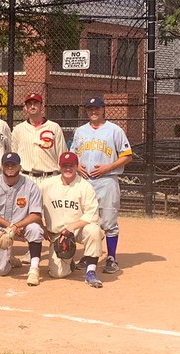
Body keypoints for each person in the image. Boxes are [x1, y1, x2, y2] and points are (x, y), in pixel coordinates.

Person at [70, 95, 132, 274]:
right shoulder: (80, 131)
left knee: (108, 221)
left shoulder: (115, 130)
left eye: (97, 108)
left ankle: (111, 257)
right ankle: (89, 255)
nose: (93, 112)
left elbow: (127, 155)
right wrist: (77, 166)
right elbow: (73, 153)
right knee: (84, 219)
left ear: (103, 109)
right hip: (84, 182)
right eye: (90, 109)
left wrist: (108, 167)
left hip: (107, 181)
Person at [43, 152, 106, 288]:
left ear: (77, 167)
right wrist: (43, 228)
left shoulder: (85, 186)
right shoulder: (47, 185)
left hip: (78, 230)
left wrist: (71, 227)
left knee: (94, 231)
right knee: (57, 274)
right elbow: (34, 208)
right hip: (58, 235)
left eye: (71, 166)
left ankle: (90, 272)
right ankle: (69, 263)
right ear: (59, 167)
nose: (68, 169)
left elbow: (92, 214)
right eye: (65, 166)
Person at [0, 152, 45, 286]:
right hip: (0, 231)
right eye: (7, 165)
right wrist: (11, 226)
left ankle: (34, 269)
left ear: (19, 167)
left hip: (22, 228)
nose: (10, 168)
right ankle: (8, 259)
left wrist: (17, 226)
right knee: (0, 270)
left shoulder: (30, 186)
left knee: (35, 229)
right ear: (2, 166)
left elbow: (36, 214)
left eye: (13, 165)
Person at [10, 93, 66, 181]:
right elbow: (14, 155)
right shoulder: (18, 129)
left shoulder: (54, 127)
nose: (32, 106)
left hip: (50, 177)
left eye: (35, 103)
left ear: (42, 106)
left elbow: (62, 154)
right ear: (25, 108)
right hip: (26, 177)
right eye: (29, 104)